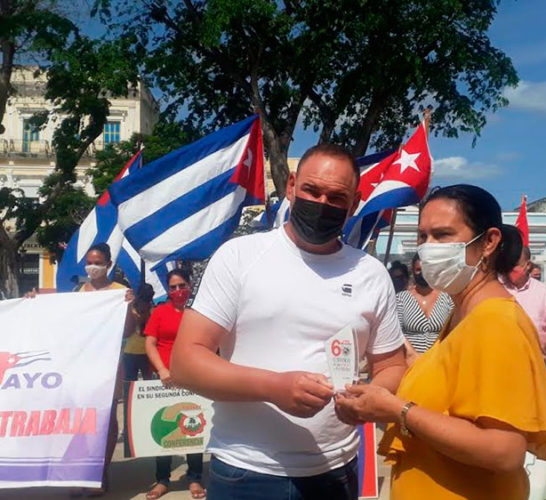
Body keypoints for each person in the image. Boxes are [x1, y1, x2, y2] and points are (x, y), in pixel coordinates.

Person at [171, 143, 406, 500]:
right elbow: (186, 362)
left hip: (336, 472)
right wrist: (275, 387)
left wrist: (366, 398)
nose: (322, 204)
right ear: (292, 186)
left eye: (336, 197)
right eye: (312, 191)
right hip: (246, 471)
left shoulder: (371, 274)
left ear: (354, 202)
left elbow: (391, 366)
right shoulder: (239, 256)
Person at [335, 184, 546, 500]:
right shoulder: (461, 314)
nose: (428, 248)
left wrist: (398, 410)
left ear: (488, 241)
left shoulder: (495, 321)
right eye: (423, 236)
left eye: (443, 235)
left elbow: (503, 451)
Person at [75, 242, 134, 497]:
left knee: (107, 420)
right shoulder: (79, 292)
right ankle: (80, 471)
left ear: (108, 264)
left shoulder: (119, 292)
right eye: (89, 261)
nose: (92, 267)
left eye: (98, 262)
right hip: (82, 367)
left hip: (109, 365)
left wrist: (129, 306)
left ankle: (101, 471)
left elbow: (129, 331)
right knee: (83, 421)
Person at [144, 269, 205, 500]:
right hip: (165, 380)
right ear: (168, 290)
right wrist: (162, 369)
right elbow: (150, 343)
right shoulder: (160, 312)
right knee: (163, 428)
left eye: (182, 286)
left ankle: (195, 477)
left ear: (189, 286)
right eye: (173, 287)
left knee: (193, 426)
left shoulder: (198, 312)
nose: (178, 291)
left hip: (192, 378)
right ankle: (162, 480)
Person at [500, 246, 546, 353]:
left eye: (514, 264)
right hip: (502, 357)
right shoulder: (496, 288)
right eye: (507, 264)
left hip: (535, 359)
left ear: (528, 265)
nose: (510, 268)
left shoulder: (544, 292)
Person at [396, 253, 453, 362]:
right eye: (418, 270)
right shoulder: (401, 299)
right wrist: (412, 355)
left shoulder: (447, 298)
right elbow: (397, 332)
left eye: (426, 269)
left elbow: (454, 329)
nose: (422, 274)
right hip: (410, 361)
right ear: (412, 270)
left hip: (439, 360)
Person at [122, 283, 155, 384]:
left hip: (145, 352)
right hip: (134, 352)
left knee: (147, 384)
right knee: (131, 383)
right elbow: (127, 331)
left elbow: (146, 332)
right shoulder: (131, 309)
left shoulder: (152, 311)